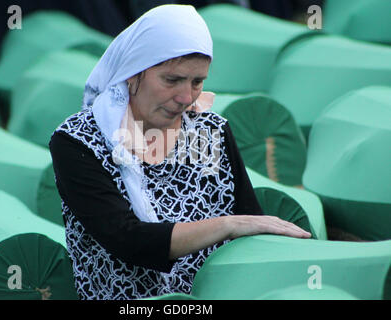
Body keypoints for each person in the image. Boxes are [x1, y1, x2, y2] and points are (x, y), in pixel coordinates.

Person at [49, 4, 311, 300]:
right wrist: (226, 226)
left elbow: (247, 216)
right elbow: (127, 238)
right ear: (134, 72)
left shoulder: (209, 132)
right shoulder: (80, 141)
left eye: (197, 82)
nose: (186, 97)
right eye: (172, 80)